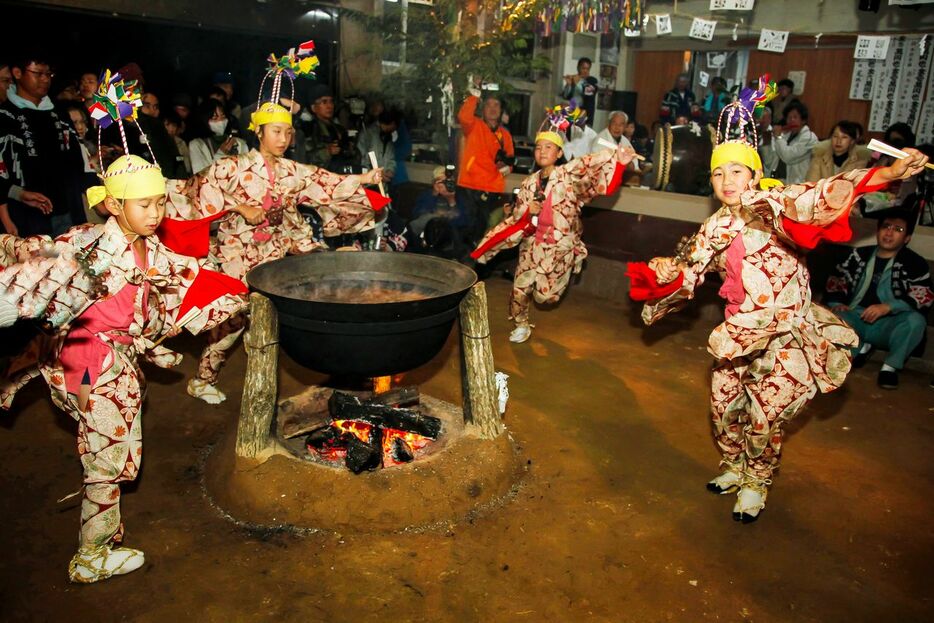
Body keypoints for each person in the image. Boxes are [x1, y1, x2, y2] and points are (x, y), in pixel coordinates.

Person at [627, 77, 929, 523]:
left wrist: (883, 174)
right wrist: (666, 273)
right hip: (737, 336)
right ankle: (733, 467)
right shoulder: (714, 227)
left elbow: (822, 194)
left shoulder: (778, 205)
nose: (726, 181)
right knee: (723, 406)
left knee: (766, 415)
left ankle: (756, 482)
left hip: (785, 335)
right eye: (717, 172)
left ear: (752, 172)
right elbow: (688, 271)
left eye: (735, 171)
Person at [0, 94, 249, 582]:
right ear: (113, 204)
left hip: (105, 359)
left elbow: (183, 278)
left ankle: (95, 546)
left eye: (159, 202)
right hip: (91, 364)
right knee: (108, 459)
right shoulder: (85, 250)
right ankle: (91, 557)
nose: (156, 212)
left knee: (107, 452)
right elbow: (28, 270)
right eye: (145, 204)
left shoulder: (148, 247)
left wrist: (238, 296)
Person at [165, 44, 389, 404]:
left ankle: (261, 373)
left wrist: (364, 179)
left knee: (269, 315)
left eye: (287, 134)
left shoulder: (290, 169)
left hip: (273, 250)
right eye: (276, 132)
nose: (284, 140)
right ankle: (203, 379)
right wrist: (239, 208)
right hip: (237, 252)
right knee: (231, 322)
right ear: (259, 132)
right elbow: (196, 194)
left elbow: (323, 182)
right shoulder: (231, 166)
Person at [471, 107, 634, 343]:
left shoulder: (568, 176)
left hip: (559, 248)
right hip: (532, 245)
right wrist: (528, 212)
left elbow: (595, 174)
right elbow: (516, 217)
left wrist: (618, 161)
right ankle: (520, 324)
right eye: (538, 147)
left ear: (559, 153)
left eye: (548, 147)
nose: (542, 151)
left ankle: (568, 265)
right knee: (519, 289)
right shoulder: (529, 183)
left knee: (545, 298)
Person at [825, 209, 933, 389]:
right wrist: (837, 303)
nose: (889, 233)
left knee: (916, 321)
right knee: (830, 314)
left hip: (889, 323)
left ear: (907, 238)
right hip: (856, 316)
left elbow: (924, 295)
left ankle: (889, 368)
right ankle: (857, 350)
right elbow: (837, 280)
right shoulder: (858, 255)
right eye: (886, 227)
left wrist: (888, 307)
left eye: (898, 230)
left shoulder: (915, 262)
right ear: (878, 230)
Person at [0, 52, 87, 237]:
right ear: (17, 73)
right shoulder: (5, 115)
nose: (45, 80)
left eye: (48, 74)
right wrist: (17, 194)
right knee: (34, 263)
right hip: (23, 213)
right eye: (38, 73)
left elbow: (77, 160)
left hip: (65, 210)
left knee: (66, 261)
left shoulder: (60, 113)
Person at [456, 83, 515, 245]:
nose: (492, 108)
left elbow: (510, 164)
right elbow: (463, 116)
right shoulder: (474, 125)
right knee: (465, 226)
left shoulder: (505, 135)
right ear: (482, 109)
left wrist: (502, 166)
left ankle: (475, 264)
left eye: (496, 105)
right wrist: (475, 94)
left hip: (491, 189)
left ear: (501, 110)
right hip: (469, 185)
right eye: (488, 104)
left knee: (482, 229)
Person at [303, 83, 357, 172]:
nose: (330, 106)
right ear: (313, 108)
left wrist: (350, 150)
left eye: (331, 101)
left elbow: (355, 156)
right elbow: (304, 158)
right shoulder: (308, 129)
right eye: (324, 102)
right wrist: (327, 152)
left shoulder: (340, 130)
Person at [188, 98, 248, 174]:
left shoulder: (239, 143)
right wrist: (221, 154)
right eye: (214, 118)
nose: (220, 121)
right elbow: (200, 177)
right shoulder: (196, 145)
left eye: (223, 116)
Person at [806, 120, 870, 182]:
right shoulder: (819, 158)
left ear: (852, 141)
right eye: (835, 136)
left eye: (844, 137)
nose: (838, 141)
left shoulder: (860, 161)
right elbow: (811, 183)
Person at [771, 100, 817, 185]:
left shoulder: (809, 137)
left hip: (798, 184)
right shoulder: (786, 135)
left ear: (803, 120)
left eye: (795, 117)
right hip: (780, 181)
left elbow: (788, 156)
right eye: (789, 118)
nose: (791, 120)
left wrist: (778, 137)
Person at [356, 108, 398, 184]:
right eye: (395, 126)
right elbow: (362, 160)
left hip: (382, 184)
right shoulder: (367, 134)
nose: (395, 129)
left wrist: (390, 170)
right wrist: (375, 174)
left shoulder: (388, 137)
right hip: (368, 183)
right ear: (392, 123)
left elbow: (391, 158)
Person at [560, 57, 599, 126]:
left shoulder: (592, 80)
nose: (585, 71)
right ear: (578, 68)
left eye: (588, 69)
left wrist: (577, 83)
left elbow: (588, 93)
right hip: (572, 114)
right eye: (583, 68)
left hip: (585, 116)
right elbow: (566, 96)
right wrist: (568, 85)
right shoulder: (574, 79)